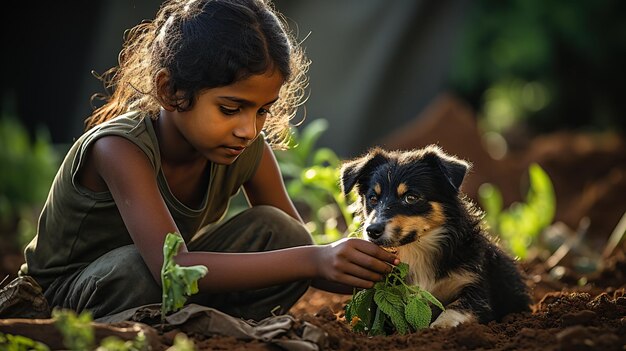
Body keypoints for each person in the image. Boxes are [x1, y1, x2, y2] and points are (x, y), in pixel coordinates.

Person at [19, 0, 399, 321]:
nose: (248, 129)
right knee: (137, 268)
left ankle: (197, 326)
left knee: (282, 232)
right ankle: (184, 326)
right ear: (170, 90)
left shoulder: (246, 147)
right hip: (68, 300)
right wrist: (314, 259)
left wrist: (374, 268)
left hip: (165, 288)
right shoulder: (119, 148)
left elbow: (301, 253)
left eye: (263, 111)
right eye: (231, 108)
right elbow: (171, 269)